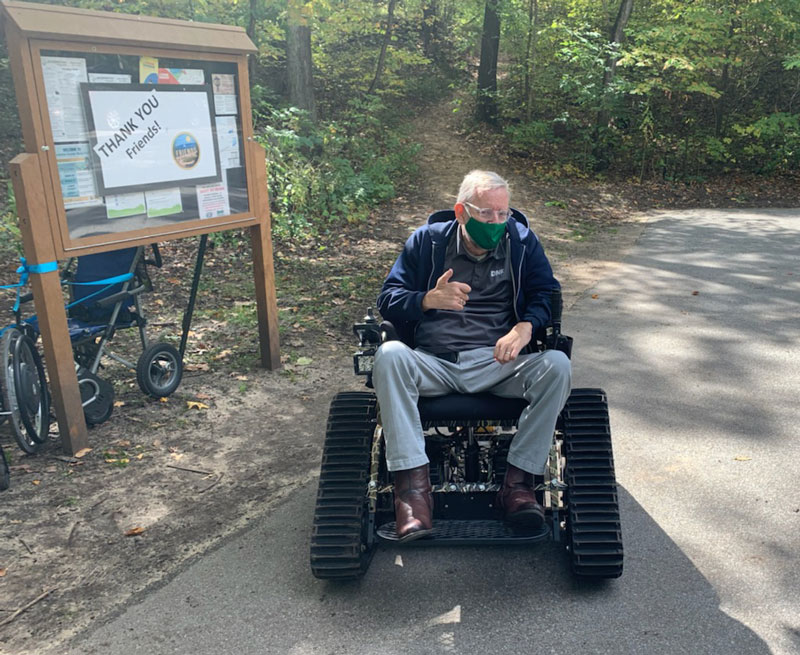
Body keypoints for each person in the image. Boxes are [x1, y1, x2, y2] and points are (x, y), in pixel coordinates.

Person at [372, 170, 572, 542]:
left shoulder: (523, 242)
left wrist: (525, 327)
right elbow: (388, 299)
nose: (496, 223)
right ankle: (413, 495)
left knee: (557, 365)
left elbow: (545, 293)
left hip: (500, 363)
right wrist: (426, 300)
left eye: (503, 214)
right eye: (486, 214)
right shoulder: (428, 242)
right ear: (461, 211)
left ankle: (518, 485)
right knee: (388, 355)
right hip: (434, 362)